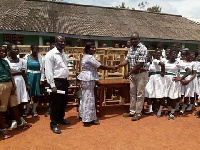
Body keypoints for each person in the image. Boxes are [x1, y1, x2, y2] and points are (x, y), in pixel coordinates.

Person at [77, 42, 116, 126]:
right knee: (89, 97)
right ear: (88, 49)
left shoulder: (85, 56)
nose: (94, 49)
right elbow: (99, 66)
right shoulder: (90, 57)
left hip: (85, 78)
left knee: (84, 96)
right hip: (88, 78)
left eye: (95, 47)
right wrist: (111, 68)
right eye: (92, 48)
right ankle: (88, 119)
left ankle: (82, 115)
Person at [0, 46, 31, 139]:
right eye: (1, 51)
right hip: (1, 86)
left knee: (15, 105)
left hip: (10, 84)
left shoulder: (4, 62)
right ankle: (3, 129)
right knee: (1, 109)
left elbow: (9, 74)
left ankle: (20, 123)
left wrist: (13, 85)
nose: (3, 53)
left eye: (4, 51)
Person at [117, 32, 148, 121]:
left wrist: (129, 73)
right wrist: (118, 66)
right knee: (132, 94)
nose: (133, 41)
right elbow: (127, 60)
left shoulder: (143, 48)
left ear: (139, 39)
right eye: (132, 39)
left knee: (140, 94)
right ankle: (132, 111)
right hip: (133, 74)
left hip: (140, 74)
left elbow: (139, 64)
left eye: (135, 39)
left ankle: (138, 113)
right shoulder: (131, 48)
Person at [45, 36, 70, 134]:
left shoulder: (63, 53)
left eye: (64, 42)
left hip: (64, 81)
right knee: (55, 103)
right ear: (55, 42)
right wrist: (52, 85)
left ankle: (60, 119)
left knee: (63, 102)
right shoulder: (50, 55)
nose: (63, 43)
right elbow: (48, 70)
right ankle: (53, 123)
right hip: (56, 82)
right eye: (60, 42)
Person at [5, 44, 30, 129]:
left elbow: (24, 73)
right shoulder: (6, 61)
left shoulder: (21, 61)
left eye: (17, 49)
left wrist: (27, 84)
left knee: (21, 101)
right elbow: (7, 73)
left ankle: (21, 118)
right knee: (12, 102)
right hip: (12, 83)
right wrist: (18, 72)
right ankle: (13, 120)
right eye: (14, 49)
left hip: (21, 83)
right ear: (9, 50)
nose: (16, 51)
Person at [163, 49, 191, 120]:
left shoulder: (178, 62)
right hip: (166, 81)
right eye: (172, 53)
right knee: (167, 97)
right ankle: (169, 110)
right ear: (169, 54)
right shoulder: (165, 61)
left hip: (173, 81)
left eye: (175, 54)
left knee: (173, 97)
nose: (173, 55)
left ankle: (172, 112)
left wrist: (181, 78)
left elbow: (189, 70)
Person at [23, 44, 45, 117]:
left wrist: (42, 79)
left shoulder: (40, 58)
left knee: (37, 94)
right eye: (35, 49)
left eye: (37, 49)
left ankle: (34, 110)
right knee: (28, 94)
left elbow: (42, 70)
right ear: (31, 49)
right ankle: (27, 109)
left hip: (37, 77)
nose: (36, 50)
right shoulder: (27, 57)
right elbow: (25, 69)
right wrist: (25, 80)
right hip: (29, 77)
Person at [145, 49, 165, 117]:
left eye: (159, 53)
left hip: (158, 78)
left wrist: (163, 72)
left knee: (160, 94)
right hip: (152, 78)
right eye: (157, 53)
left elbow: (162, 65)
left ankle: (159, 110)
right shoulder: (153, 61)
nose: (158, 55)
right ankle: (150, 109)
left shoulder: (158, 60)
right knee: (148, 92)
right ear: (154, 54)